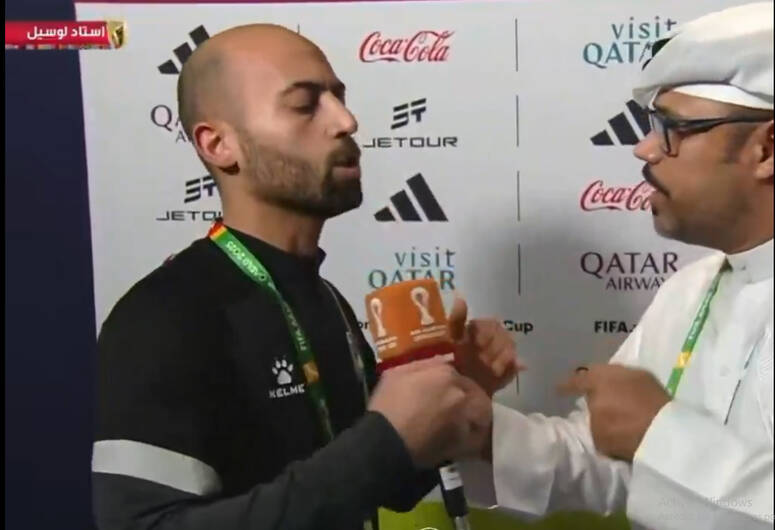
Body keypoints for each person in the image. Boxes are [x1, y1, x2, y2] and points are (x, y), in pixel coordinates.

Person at [91, 24, 519, 530]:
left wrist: (454, 397)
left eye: (339, 98)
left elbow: (386, 484)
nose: (346, 121)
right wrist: (384, 441)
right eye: (304, 105)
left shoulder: (327, 301)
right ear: (219, 144)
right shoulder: (160, 317)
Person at [458, 3, 774, 530]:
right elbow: (612, 461)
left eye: (673, 127)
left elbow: (649, 441)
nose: (644, 149)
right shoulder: (689, 291)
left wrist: (659, 434)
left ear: (766, 149)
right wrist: (469, 422)